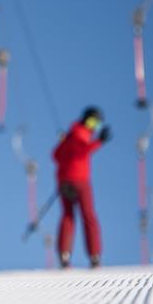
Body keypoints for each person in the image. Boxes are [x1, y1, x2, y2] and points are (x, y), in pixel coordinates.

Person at [52, 106, 111, 269]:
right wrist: (99, 141)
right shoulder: (79, 134)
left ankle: (65, 255)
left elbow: (55, 155)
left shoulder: (71, 134)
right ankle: (94, 255)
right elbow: (82, 150)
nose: (93, 127)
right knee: (88, 216)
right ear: (85, 119)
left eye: (96, 124)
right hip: (79, 181)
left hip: (64, 181)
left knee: (68, 216)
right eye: (92, 122)